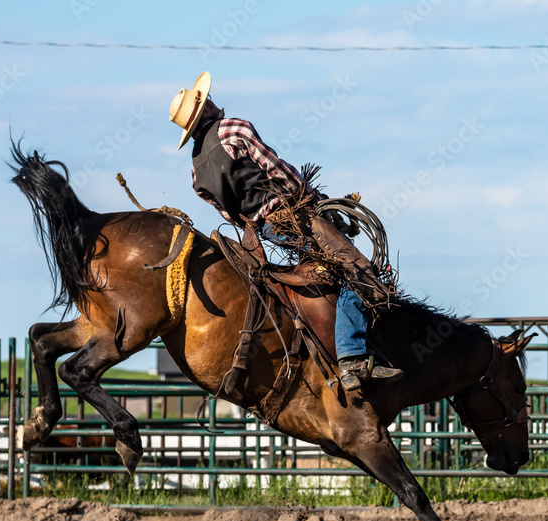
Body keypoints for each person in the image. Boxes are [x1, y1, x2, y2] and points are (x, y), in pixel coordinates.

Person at [169, 72, 402, 391]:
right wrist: (315, 201)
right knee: (358, 271)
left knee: (326, 271)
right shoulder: (234, 129)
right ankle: (351, 357)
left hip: (266, 230)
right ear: (204, 109)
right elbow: (278, 170)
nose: (211, 99)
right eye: (205, 99)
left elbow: (231, 214)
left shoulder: (197, 172)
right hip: (292, 216)